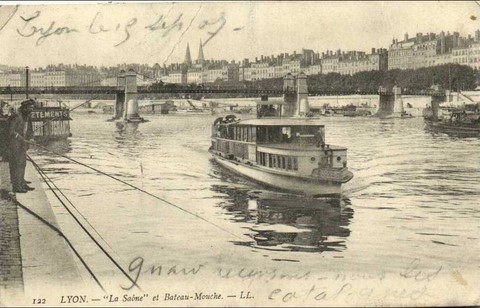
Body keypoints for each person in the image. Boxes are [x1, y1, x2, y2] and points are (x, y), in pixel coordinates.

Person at [6, 99, 35, 193]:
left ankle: (22, 183)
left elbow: (29, 130)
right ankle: (16, 186)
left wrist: (31, 138)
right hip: (14, 145)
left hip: (22, 145)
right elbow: (10, 131)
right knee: (16, 164)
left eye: (32, 108)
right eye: (30, 108)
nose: (32, 109)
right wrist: (20, 138)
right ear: (25, 107)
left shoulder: (27, 116)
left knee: (22, 163)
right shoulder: (16, 116)